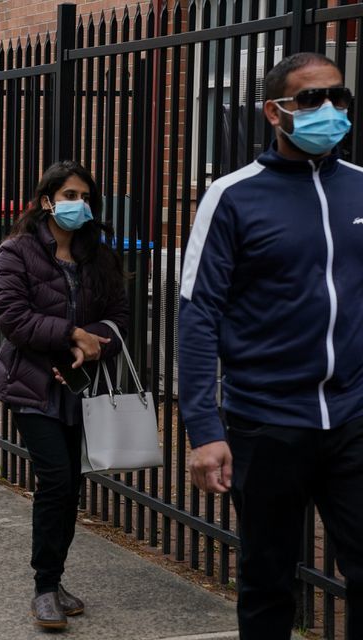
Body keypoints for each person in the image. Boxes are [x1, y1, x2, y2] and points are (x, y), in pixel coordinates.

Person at [179, 53, 363, 640]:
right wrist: (205, 431)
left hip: (354, 419)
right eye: (311, 100)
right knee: (267, 582)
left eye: (338, 98)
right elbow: (198, 316)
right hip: (264, 422)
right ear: (274, 111)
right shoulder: (231, 197)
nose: (328, 110)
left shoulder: (361, 189)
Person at [0, 161, 128, 629]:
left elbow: (120, 317)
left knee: (72, 488)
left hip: (81, 385)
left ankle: (56, 578)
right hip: (33, 384)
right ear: (46, 200)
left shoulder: (99, 256)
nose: (78, 204)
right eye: (68, 195)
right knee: (57, 481)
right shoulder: (16, 252)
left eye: (84, 195)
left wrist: (93, 342)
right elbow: (13, 319)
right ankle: (44, 587)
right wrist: (73, 335)